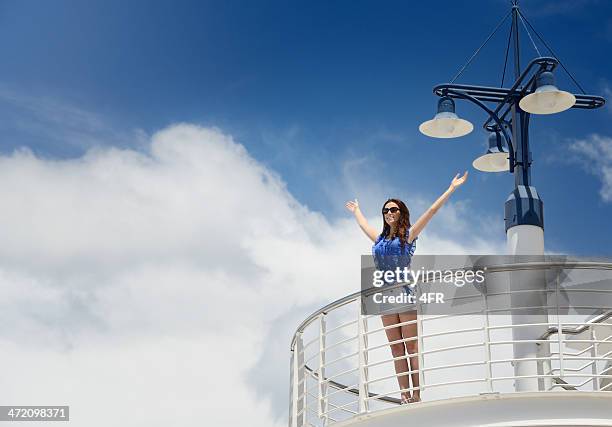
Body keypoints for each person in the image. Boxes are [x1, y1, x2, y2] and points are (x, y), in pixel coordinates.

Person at [345, 171, 468, 404]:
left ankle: (417, 394)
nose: (389, 213)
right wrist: (357, 211)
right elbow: (363, 224)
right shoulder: (379, 240)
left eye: (393, 209)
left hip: (404, 294)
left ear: (401, 213)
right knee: (395, 349)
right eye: (385, 210)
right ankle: (404, 394)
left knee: (411, 346)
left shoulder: (408, 236)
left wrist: (451, 188)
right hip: (385, 297)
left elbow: (431, 212)